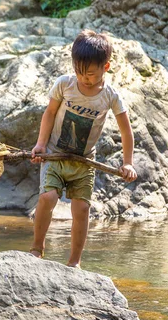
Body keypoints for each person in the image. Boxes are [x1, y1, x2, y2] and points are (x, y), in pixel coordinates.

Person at [30, 29, 137, 268]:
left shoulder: (110, 96)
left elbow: (126, 131)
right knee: (47, 197)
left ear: (105, 67)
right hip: (55, 154)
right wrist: (40, 144)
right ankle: (37, 248)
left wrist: (128, 162)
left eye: (89, 74)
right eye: (79, 71)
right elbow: (49, 114)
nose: (83, 78)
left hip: (84, 161)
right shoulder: (64, 84)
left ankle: (74, 262)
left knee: (82, 208)